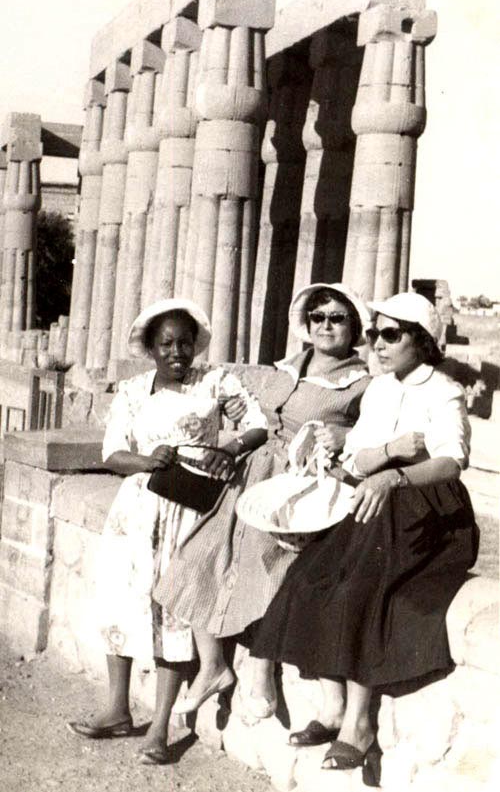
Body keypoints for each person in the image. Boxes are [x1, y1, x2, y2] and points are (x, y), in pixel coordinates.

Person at [250, 292, 479, 772]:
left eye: (390, 334)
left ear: (421, 341)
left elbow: (450, 462)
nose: (378, 344)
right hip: (376, 501)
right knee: (310, 574)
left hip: (430, 511)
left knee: (363, 585)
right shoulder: (379, 389)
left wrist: (395, 475)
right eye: (375, 334)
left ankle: (358, 723)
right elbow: (357, 459)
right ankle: (332, 706)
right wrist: (385, 455)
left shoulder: (444, 391)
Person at [154, 283, 372, 719]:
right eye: (318, 317)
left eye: (337, 318)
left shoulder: (362, 383)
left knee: (265, 565)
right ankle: (213, 666)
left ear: (354, 326)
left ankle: (261, 670)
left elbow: (378, 432)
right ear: (306, 324)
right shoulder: (283, 369)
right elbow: (249, 413)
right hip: (250, 475)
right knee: (200, 553)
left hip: (295, 486)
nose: (326, 326)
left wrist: (346, 435)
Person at [67, 298, 267, 764]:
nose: (177, 352)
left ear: (196, 345)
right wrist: (146, 459)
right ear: (151, 348)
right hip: (138, 508)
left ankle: (160, 727)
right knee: (120, 601)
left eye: (185, 343)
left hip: (190, 509)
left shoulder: (216, 382)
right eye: (166, 344)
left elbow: (257, 425)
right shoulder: (134, 391)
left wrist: (230, 449)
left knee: (173, 609)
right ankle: (116, 709)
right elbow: (112, 453)